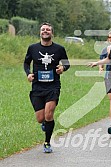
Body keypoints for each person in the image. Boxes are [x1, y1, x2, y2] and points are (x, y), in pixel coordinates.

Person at [23, 22, 70, 153]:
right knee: (40, 118)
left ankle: (47, 142)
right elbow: (26, 63)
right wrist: (28, 74)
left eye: (48, 30)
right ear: (40, 33)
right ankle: (45, 124)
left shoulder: (59, 49)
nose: (45, 31)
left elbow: (66, 63)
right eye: (43, 29)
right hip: (37, 86)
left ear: (52, 33)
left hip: (53, 86)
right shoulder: (32, 48)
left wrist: (62, 68)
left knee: (49, 114)